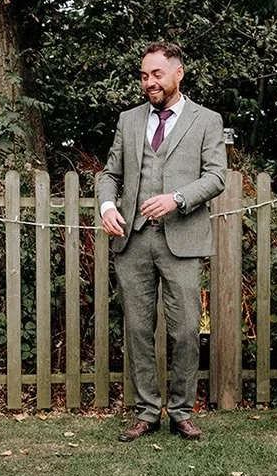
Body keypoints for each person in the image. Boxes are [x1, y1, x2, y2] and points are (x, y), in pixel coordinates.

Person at [97, 41, 227, 441]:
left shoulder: (207, 120)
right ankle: (147, 412)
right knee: (137, 330)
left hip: (183, 240)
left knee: (186, 330)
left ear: (178, 74)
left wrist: (178, 198)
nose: (149, 82)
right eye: (143, 75)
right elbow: (110, 173)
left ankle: (182, 411)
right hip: (132, 240)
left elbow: (216, 176)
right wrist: (105, 206)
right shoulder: (129, 119)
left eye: (156, 74)